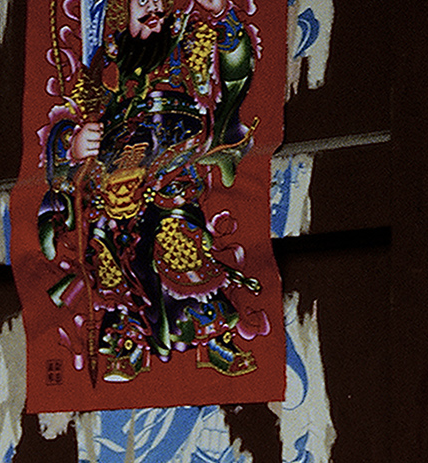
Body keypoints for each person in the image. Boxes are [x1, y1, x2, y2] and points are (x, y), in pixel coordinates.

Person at [36, 0, 264, 384]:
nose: (154, 5)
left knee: (178, 241)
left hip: (170, 164)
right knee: (106, 251)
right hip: (115, 173)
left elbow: (237, 68)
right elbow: (81, 118)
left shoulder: (189, 35)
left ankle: (213, 339)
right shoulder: (107, 61)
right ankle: (128, 340)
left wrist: (222, 14)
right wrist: (74, 144)